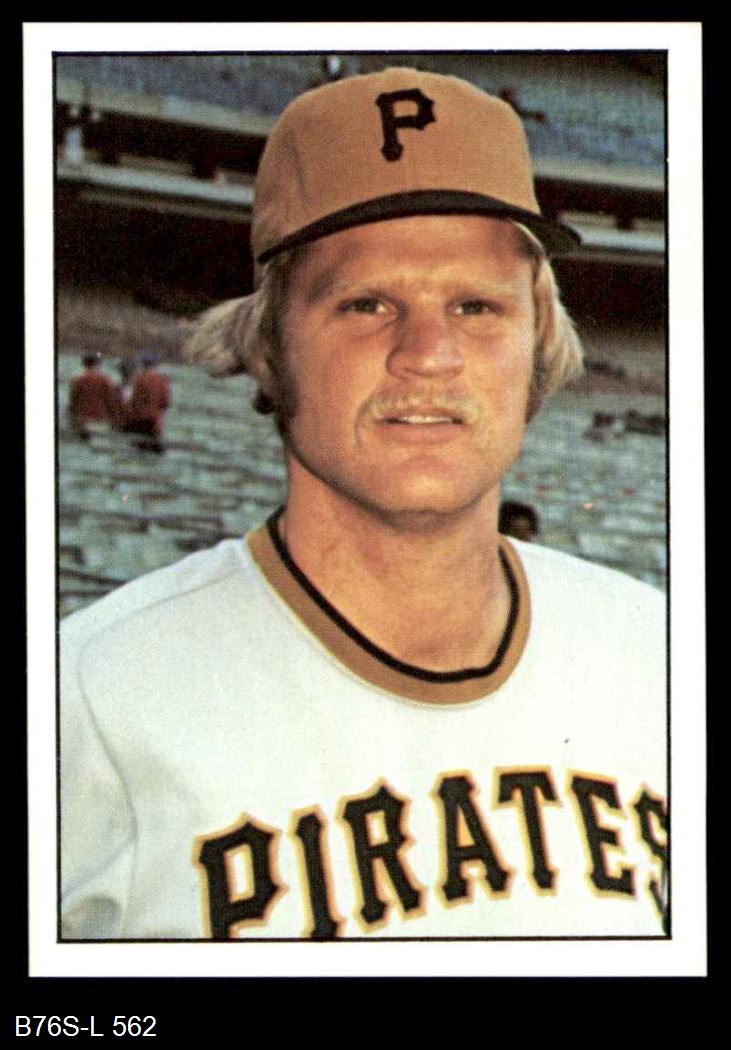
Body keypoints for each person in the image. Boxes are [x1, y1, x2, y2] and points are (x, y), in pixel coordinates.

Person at [61, 68, 667, 942]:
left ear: (539, 346)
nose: (429, 354)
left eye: (476, 305)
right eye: (365, 303)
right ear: (268, 348)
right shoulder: (83, 699)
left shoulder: (660, 656)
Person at [122, 350, 171, 451]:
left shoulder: (139, 379)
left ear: (143, 364)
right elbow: (166, 402)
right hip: (156, 424)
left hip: (141, 423)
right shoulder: (164, 380)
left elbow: (134, 402)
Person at [66, 351, 119, 439]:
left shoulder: (76, 380)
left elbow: (72, 404)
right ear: (98, 364)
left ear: (84, 363)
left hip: (82, 423)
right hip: (101, 422)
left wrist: (72, 421)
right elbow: (112, 403)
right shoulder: (106, 381)